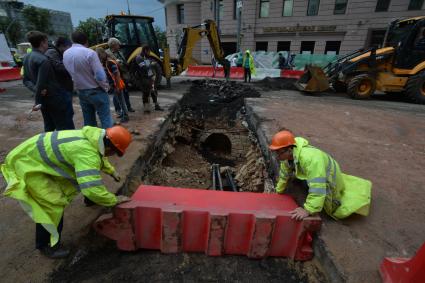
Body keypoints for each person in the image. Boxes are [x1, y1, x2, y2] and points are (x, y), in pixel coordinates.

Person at [1, 125, 132, 258]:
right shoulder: (86, 154)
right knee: (51, 205)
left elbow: (99, 155)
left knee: (81, 180)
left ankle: (90, 202)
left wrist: (111, 171)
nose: (113, 155)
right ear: (110, 147)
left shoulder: (95, 136)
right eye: (115, 152)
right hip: (25, 164)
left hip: (30, 154)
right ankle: (47, 246)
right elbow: (91, 188)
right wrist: (114, 200)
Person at [269, 130, 372, 221]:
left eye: (279, 153)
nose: (277, 157)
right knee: (301, 182)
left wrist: (308, 210)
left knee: (331, 206)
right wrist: (278, 192)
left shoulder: (310, 160)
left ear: (289, 150)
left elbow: (318, 187)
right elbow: (284, 175)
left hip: (330, 178)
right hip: (319, 171)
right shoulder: (287, 158)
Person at [22, 31, 74, 132]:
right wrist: (37, 100)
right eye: (46, 42)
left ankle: (49, 146)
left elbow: (25, 80)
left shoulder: (27, 57)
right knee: (65, 128)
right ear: (42, 43)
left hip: (44, 101)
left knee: (49, 127)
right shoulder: (43, 60)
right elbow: (42, 83)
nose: (48, 44)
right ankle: (65, 147)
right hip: (55, 99)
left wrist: (37, 92)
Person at [63, 31, 113, 129]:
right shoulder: (90, 53)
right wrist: (106, 86)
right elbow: (99, 75)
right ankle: (109, 141)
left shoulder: (66, 53)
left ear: (73, 40)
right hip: (96, 90)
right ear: (86, 40)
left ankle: (91, 141)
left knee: (89, 121)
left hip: (81, 91)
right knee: (105, 118)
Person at [45, 37, 75, 130]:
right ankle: (68, 137)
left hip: (63, 89)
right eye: (68, 48)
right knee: (65, 118)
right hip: (61, 90)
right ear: (61, 46)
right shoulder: (52, 53)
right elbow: (60, 68)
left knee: (67, 115)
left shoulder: (57, 53)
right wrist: (72, 67)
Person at [97, 48, 129, 123]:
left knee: (121, 101)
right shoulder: (105, 62)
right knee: (119, 100)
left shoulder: (110, 62)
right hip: (113, 85)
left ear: (102, 54)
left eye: (99, 55)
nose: (98, 57)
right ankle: (123, 114)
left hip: (116, 84)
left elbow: (117, 75)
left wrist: (117, 86)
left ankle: (126, 116)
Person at [105, 38, 135, 114]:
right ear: (113, 45)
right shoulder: (107, 53)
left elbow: (123, 62)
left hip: (123, 74)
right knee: (116, 94)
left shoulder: (119, 52)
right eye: (118, 44)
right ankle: (118, 110)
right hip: (114, 76)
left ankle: (128, 107)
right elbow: (108, 65)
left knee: (125, 91)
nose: (119, 46)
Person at [135, 46, 163, 113]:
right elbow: (144, 68)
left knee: (154, 91)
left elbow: (149, 68)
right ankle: (146, 108)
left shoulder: (146, 57)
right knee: (146, 93)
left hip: (150, 77)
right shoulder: (139, 58)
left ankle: (156, 105)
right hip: (143, 78)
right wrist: (151, 64)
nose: (150, 53)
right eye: (149, 51)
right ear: (145, 50)